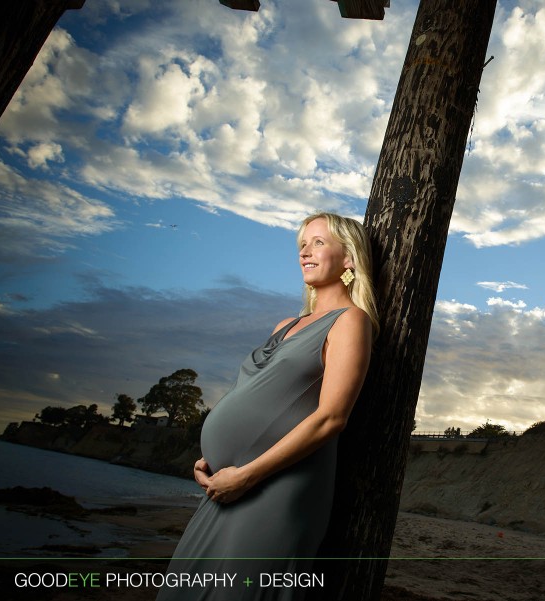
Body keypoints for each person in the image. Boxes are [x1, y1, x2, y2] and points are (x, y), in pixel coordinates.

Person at [156, 213, 378, 601]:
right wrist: (210, 459)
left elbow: (330, 419)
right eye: (302, 245)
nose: (305, 252)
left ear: (350, 259)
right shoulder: (284, 325)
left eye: (319, 243)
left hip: (276, 487)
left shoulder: (351, 322)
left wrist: (246, 476)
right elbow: (256, 393)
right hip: (226, 484)